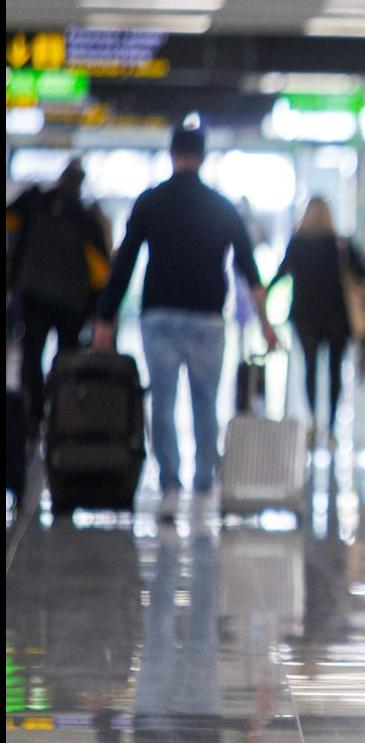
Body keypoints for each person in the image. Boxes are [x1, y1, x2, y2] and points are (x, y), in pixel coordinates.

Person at [93, 126, 278, 514]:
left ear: (172, 153)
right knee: (205, 402)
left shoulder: (151, 202)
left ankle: (170, 482)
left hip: (159, 315)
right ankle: (204, 481)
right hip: (208, 319)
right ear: (203, 156)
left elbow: (124, 263)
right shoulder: (221, 206)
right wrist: (265, 323)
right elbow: (249, 270)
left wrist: (105, 318)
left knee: (162, 400)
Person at [6, 159, 112, 433]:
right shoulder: (87, 217)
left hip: (34, 296)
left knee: (31, 355)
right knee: (67, 358)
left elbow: (8, 221)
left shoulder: (35, 202)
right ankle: (61, 411)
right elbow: (101, 271)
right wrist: (99, 310)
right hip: (71, 303)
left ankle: (34, 412)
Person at [269, 196, 365, 447]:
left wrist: (261, 295)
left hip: (305, 317)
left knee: (310, 369)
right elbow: (362, 274)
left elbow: (280, 274)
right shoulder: (340, 244)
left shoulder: (298, 243)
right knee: (334, 372)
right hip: (337, 318)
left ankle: (312, 421)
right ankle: (331, 428)